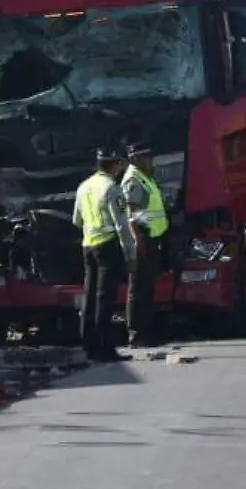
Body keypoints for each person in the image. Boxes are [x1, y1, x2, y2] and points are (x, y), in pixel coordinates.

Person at [73, 147, 130, 362]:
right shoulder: (112, 189)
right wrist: (130, 253)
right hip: (108, 246)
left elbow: (76, 220)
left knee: (89, 296)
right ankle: (105, 348)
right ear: (114, 165)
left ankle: (89, 344)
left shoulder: (83, 186)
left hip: (88, 246)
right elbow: (122, 225)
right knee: (105, 298)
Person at [120, 143, 169, 348]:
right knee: (138, 290)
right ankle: (137, 334)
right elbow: (132, 216)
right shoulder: (134, 180)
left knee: (146, 289)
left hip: (149, 238)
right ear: (136, 159)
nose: (150, 160)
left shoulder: (144, 176)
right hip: (142, 240)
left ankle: (145, 333)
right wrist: (138, 242)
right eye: (146, 157)